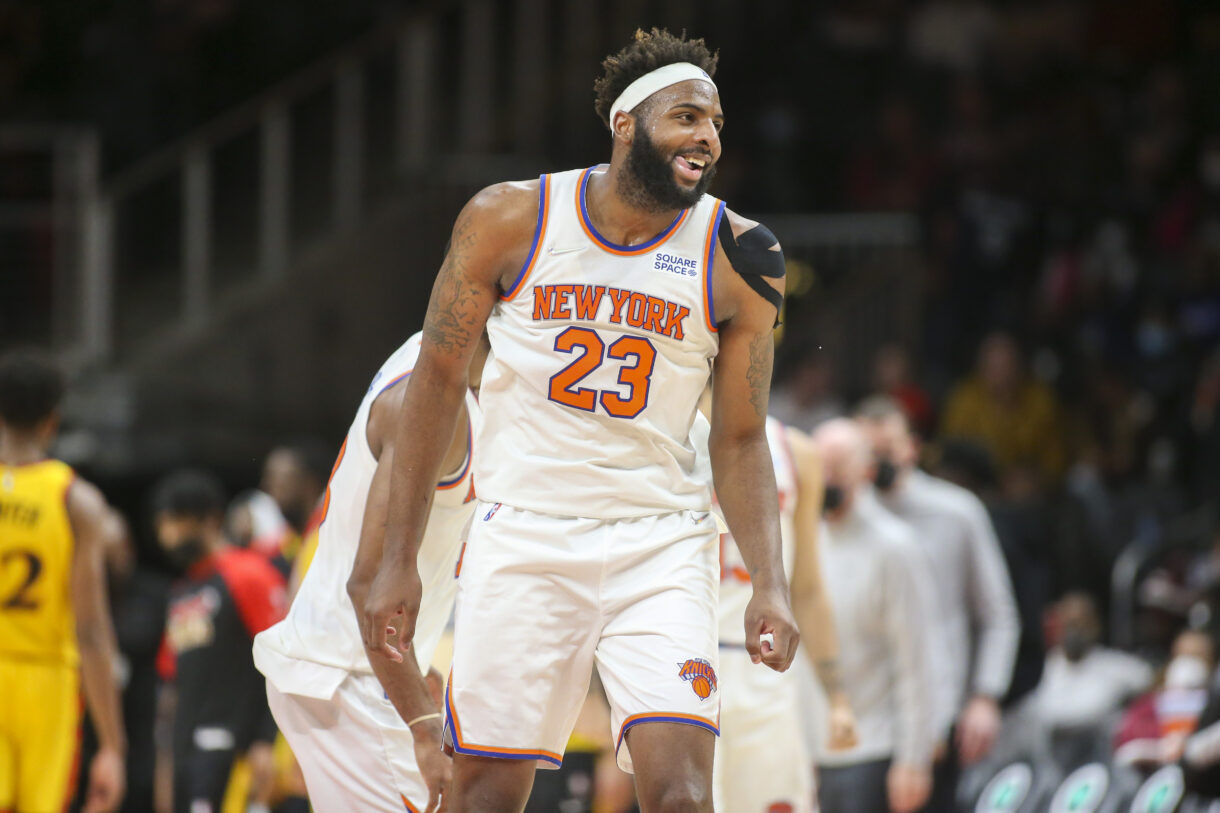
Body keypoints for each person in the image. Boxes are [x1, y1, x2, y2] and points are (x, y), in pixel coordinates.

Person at [364, 28, 799, 813]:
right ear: (625, 123)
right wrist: (401, 558)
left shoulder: (743, 254)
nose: (707, 136)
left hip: (660, 538)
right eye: (688, 117)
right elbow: (435, 380)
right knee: (487, 793)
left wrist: (770, 579)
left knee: (683, 795)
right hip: (524, 532)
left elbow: (739, 435)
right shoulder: (509, 219)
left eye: (717, 125)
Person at [253, 331, 485, 811]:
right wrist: (422, 723)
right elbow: (371, 584)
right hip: (353, 677)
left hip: (367, 670)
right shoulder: (429, 403)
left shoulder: (443, 360)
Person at [856, 396, 1020, 811]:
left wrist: (986, 696)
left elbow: (998, 614)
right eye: (867, 451)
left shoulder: (958, 512)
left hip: (939, 708)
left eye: (886, 448)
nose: (877, 460)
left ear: (912, 446)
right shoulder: (846, 519)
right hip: (865, 714)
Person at [702, 412, 858, 812]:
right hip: (688, 662)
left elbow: (805, 587)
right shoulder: (666, 429)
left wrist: (837, 696)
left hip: (764, 668)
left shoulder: (797, 452)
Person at [0, 349, 126, 813]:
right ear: (52, 421)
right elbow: (91, 629)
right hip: (45, 681)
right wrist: (112, 746)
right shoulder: (76, 500)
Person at [810, 419, 938, 813]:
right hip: (813, 753)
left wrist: (913, 760)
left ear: (865, 470)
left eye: (838, 466)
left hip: (876, 750)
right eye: (820, 466)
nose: (827, 477)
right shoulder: (803, 543)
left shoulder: (895, 547)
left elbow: (916, 660)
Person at [152, 470, 285, 813]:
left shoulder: (247, 574)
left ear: (209, 519)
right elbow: (173, 684)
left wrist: (264, 740)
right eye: (163, 525)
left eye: (176, 523)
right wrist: (166, 766)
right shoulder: (180, 593)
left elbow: (281, 661)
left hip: (235, 753)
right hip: (187, 756)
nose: (168, 536)